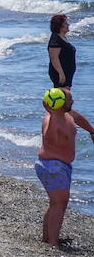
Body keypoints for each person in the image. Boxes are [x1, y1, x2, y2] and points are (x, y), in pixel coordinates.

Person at [35, 87, 94, 247]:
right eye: (69, 100)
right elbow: (49, 133)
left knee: (57, 203)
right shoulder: (52, 120)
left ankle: (48, 238)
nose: (72, 102)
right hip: (52, 167)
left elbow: (79, 118)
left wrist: (91, 131)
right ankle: (53, 243)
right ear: (59, 103)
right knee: (58, 203)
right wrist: (50, 110)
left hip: (59, 166)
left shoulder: (67, 114)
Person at [47, 13, 75, 94]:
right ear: (59, 26)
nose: (68, 24)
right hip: (60, 73)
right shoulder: (55, 39)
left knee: (64, 98)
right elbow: (54, 58)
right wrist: (61, 74)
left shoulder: (62, 37)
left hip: (66, 73)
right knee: (62, 98)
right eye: (66, 23)